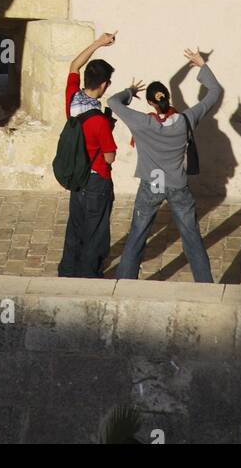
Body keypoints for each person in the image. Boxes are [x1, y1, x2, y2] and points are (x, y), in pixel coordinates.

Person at [109, 48, 223, 283]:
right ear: (168, 100)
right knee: (191, 237)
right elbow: (214, 92)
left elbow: (112, 101)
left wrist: (130, 92)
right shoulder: (185, 120)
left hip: (152, 184)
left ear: (150, 102)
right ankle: (204, 284)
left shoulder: (141, 123)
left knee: (137, 235)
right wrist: (202, 65)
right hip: (176, 184)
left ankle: (124, 281)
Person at [57, 32, 118, 279]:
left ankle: (67, 272)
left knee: (75, 228)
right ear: (104, 85)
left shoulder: (72, 99)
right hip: (96, 180)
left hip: (77, 177)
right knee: (96, 233)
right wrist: (109, 127)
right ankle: (88, 275)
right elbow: (110, 157)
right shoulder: (99, 121)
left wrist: (98, 43)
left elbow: (74, 65)